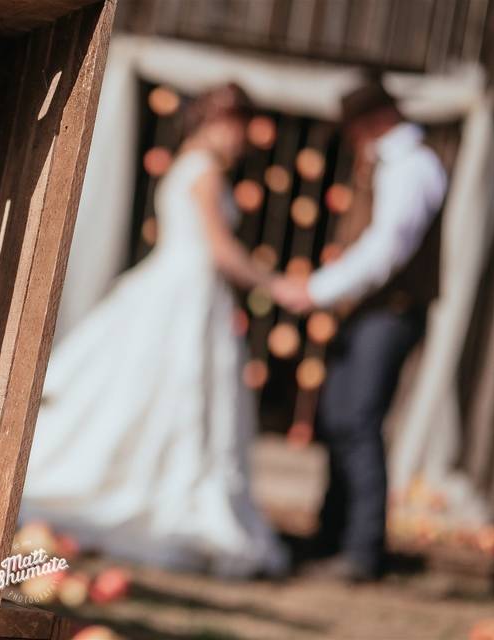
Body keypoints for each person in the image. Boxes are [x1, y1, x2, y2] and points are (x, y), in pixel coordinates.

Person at [20, 83, 289, 578]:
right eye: (238, 127)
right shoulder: (205, 171)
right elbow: (220, 249)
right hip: (185, 293)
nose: (242, 140)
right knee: (176, 395)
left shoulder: (187, 163)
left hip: (178, 291)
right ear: (217, 123)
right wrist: (275, 284)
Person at [274, 80, 448, 581]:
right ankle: (330, 536)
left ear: (369, 123)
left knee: (357, 421)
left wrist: (319, 290)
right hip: (366, 313)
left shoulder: (413, 166)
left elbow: (386, 248)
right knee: (335, 418)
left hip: (389, 313)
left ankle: (361, 550)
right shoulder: (385, 164)